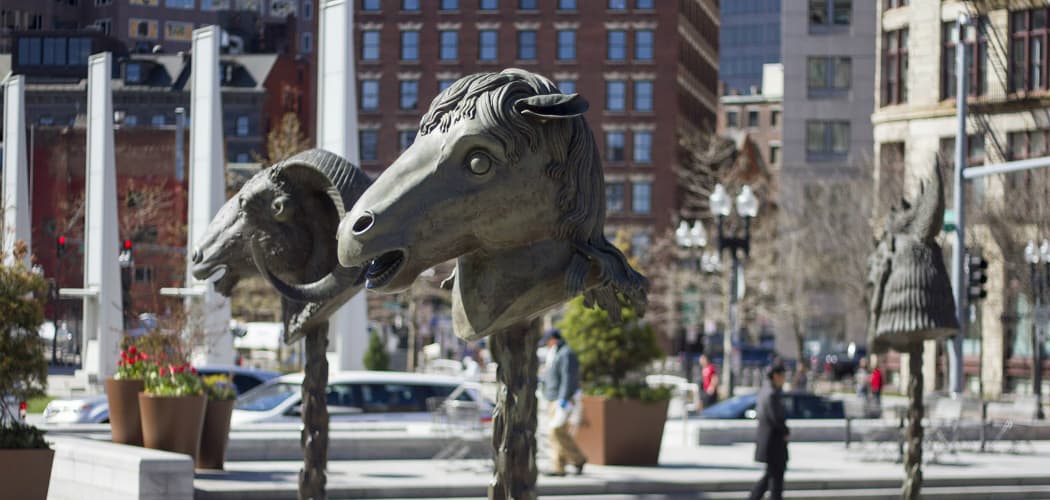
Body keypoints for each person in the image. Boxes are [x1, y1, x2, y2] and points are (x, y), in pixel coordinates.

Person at [539, 329, 587, 476]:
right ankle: (559, 466)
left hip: (561, 399)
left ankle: (577, 459)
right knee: (556, 433)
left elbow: (568, 378)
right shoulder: (557, 352)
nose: (547, 344)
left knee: (555, 431)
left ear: (553, 339)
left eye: (548, 341)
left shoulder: (566, 353)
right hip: (554, 398)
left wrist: (564, 399)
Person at [750, 359, 790, 500]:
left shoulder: (765, 391)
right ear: (775, 376)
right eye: (783, 376)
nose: (784, 380)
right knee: (775, 480)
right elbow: (775, 418)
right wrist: (785, 431)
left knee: (770, 477)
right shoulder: (771, 394)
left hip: (769, 442)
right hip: (774, 442)